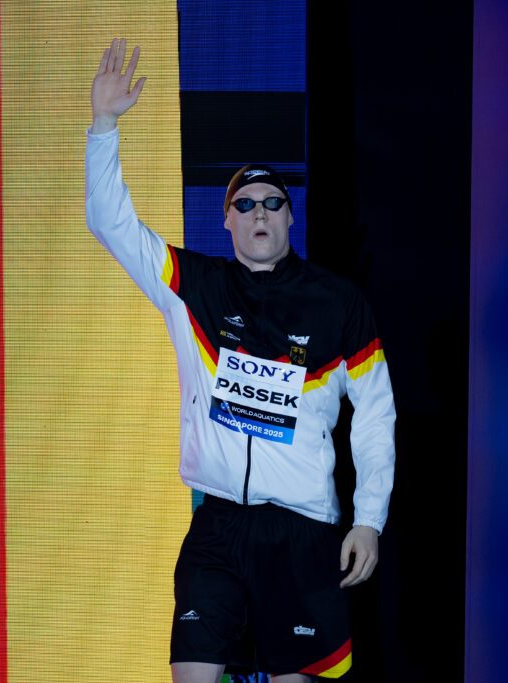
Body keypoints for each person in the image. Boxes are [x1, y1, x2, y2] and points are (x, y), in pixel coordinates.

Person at [86, 39, 395, 683]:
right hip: (218, 529)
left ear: (290, 215)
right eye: (245, 204)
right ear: (225, 220)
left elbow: (374, 419)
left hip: (305, 533)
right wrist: (104, 125)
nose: (260, 212)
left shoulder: (338, 304)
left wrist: (368, 520)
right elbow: (111, 224)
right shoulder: (191, 287)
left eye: (273, 202)